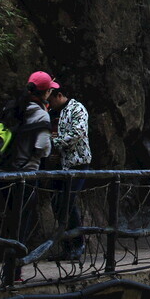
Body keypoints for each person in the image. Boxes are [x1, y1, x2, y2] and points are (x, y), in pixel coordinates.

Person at [3, 71, 56, 284]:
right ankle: (14, 274)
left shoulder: (14, 107)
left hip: (6, 173)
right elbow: (42, 148)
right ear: (46, 91)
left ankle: (7, 270)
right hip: (26, 175)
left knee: (9, 223)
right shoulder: (41, 115)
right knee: (21, 225)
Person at [48, 85, 91, 261]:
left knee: (67, 203)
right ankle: (66, 246)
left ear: (59, 95)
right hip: (58, 166)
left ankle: (78, 244)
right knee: (58, 205)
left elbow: (76, 133)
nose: (48, 103)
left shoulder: (77, 108)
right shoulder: (51, 112)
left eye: (50, 99)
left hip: (77, 163)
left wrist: (51, 143)